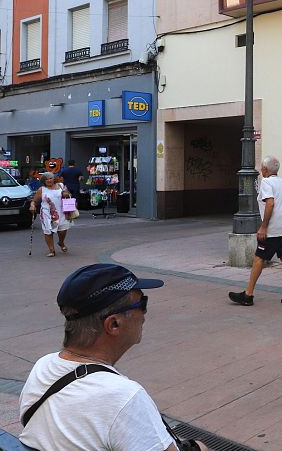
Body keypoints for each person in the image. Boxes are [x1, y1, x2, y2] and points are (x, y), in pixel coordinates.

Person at [18, 264, 182, 450]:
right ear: (113, 324)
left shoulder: (43, 366)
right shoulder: (123, 397)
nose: (144, 313)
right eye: (142, 304)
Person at [229, 155, 282, 306]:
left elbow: (269, 203)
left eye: (262, 168)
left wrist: (263, 227)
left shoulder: (266, 182)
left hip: (272, 231)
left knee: (259, 258)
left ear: (265, 169)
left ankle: (248, 294)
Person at [30, 172, 72, 257]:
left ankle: (61, 242)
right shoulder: (42, 189)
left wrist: (67, 194)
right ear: (43, 181)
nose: (49, 180)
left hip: (61, 211)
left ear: (54, 179)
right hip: (46, 213)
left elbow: (69, 194)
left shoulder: (61, 185)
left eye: (50, 178)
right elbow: (34, 200)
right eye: (46, 179)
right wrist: (32, 205)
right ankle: (51, 250)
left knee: (63, 230)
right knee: (48, 231)